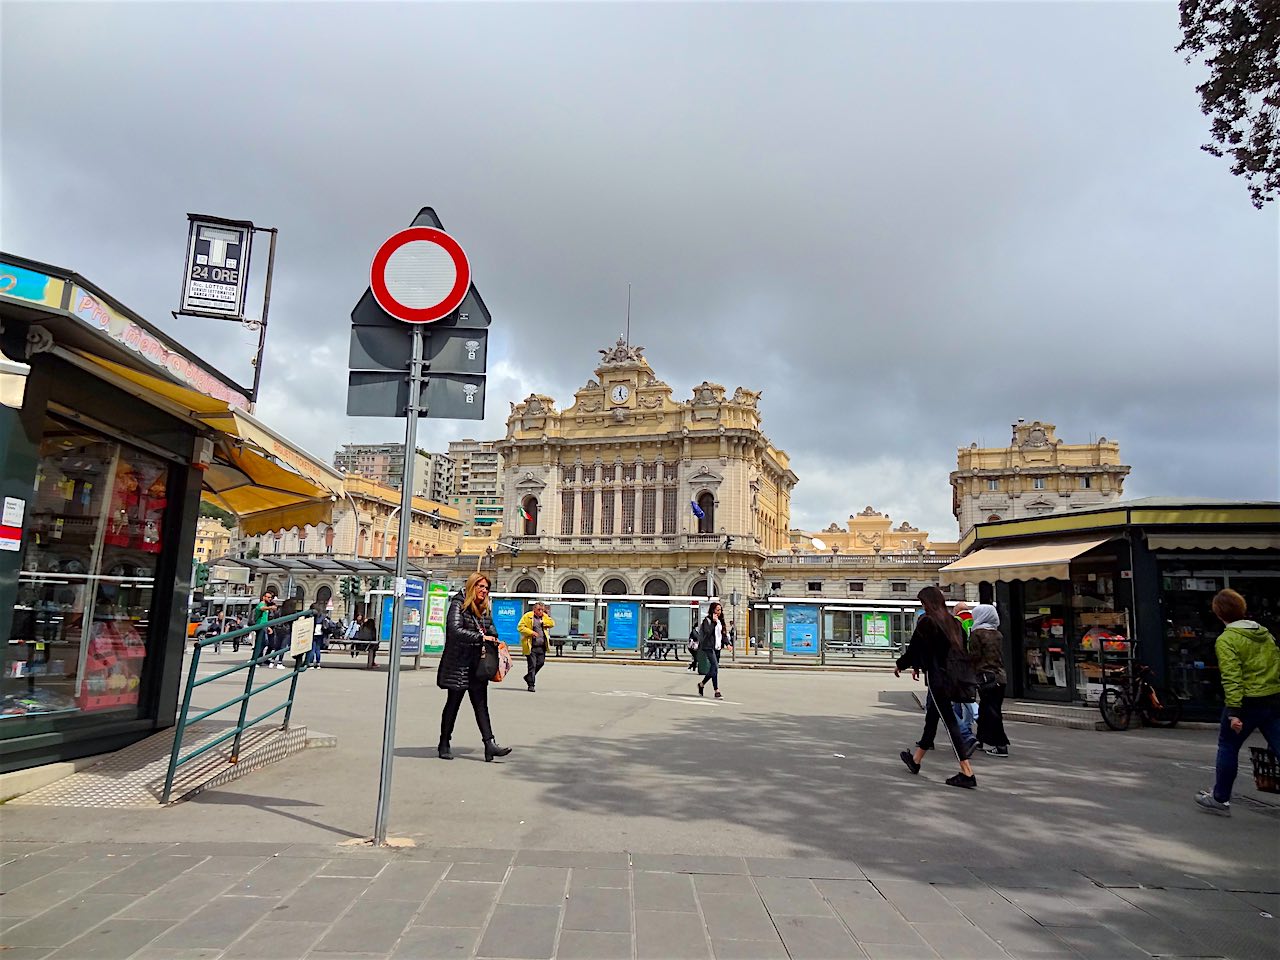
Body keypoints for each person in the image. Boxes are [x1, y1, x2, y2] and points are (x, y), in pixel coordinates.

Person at [1196, 589, 1280, 816]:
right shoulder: (1265, 634)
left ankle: (1220, 799)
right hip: (1272, 699)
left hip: (1247, 702)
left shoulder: (1227, 640)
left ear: (1218, 612)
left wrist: (1234, 711)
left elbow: (1232, 677)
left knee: (1228, 746)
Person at [895, 586, 979, 788]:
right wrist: (918, 665)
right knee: (932, 717)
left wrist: (901, 664)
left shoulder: (927, 621)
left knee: (950, 723)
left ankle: (967, 772)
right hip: (953, 678)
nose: (922, 607)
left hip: (938, 679)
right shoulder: (954, 623)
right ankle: (915, 760)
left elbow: (916, 648)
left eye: (922, 603)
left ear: (928, 603)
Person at [437, 572, 511, 762]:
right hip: (459, 664)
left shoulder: (484, 608)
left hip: (478, 664)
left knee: (481, 706)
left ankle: (490, 744)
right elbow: (454, 631)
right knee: (453, 704)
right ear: (472, 587)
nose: (484, 591)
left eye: (486, 588)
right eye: (481, 587)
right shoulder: (458, 605)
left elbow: (491, 628)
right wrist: (480, 637)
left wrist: (494, 637)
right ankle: (444, 742)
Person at [968, 604, 1010, 757]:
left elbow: (974, 656)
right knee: (987, 709)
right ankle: (979, 740)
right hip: (1000, 676)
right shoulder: (997, 634)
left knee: (991, 711)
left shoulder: (977, 633)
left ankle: (1001, 745)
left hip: (985, 676)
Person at [517, 602, 555, 692]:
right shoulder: (528, 616)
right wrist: (531, 632)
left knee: (540, 663)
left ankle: (528, 677)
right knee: (532, 665)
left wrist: (543, 622)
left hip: (542, 646)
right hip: (531, 646)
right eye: (539, 610)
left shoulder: (544, 617)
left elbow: (552, 623)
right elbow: (520, 627)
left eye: (542, 610)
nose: (540, 611)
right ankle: (531, 685)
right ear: (534, 609)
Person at [696, 601, 726, 699]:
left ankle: (702, 684)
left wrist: (728, 644)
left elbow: (723, 634)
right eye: (717, 610)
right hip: (708, 647)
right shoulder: (707, 620)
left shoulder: (721, 621)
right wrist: (713, 622)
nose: (719, 612)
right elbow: (707, 632)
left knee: (714, 669)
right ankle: (716, 691)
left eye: (720, 610)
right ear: (713, 610)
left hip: (717, 647)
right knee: (715, 666)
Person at [252, 590, 277, 666]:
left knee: (263, 643)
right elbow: (261, 608)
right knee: (261, 643)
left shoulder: (265, 606)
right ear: (264, 597)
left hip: (264, 626)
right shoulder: (261, 604)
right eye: (268, 597)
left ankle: (258, 659)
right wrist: (270, 608)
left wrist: (268, 627)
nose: (270, 599)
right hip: (260, 626)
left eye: (270, 597)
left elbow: (265, 619)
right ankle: (255, 660)